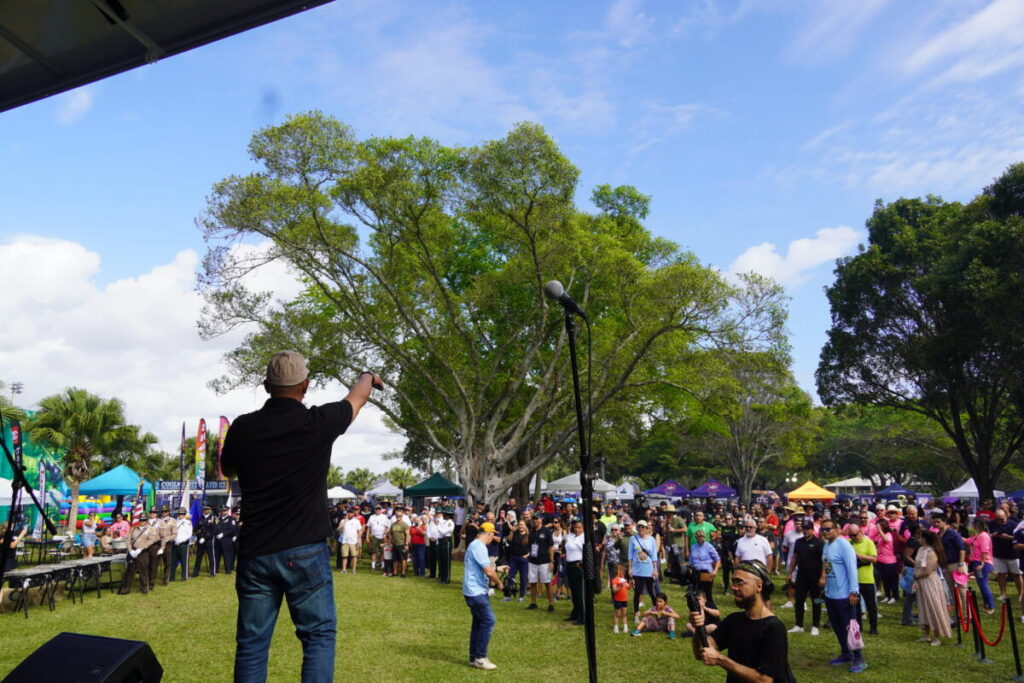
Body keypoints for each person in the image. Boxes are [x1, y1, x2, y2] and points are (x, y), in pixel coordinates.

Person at [220, 351, 381, 683]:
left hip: (256, 550)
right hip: (305, 550)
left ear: (267, 386)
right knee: (318, 637)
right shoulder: (319, 422)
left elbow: (228, 468)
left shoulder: (243, 426)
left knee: (252, 644)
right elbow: (358, 397)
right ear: (306, 385)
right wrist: (368, 376)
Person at [689, 560, 795, 682]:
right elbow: (701, 652)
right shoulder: (733, 620)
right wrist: (698, 628)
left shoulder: (774, 628)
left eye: (739, 582)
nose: (733, 587)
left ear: (759, 586)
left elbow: (765, 680)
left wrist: (721, 660)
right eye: (733, 582)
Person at [820, 519, 866, 673]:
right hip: (830, 594)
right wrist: (826, 585)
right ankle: (846, 653)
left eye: (828, 529)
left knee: (850, 628)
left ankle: (859, 658)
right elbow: (827, 565)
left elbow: (852, 569)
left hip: (844, 594)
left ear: (837, 529)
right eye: (823, 529)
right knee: (837, 627)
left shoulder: (844, 545)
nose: (825, 532)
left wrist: (854, 591)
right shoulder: (826, 546)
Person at [463, 522, 504, 670]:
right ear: (489, 533)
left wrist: (498, 568)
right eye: (493, 535)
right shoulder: (479, 547)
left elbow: (482, 567)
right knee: (488, 620)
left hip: (473, 590)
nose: (493, 538)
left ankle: (473, 657)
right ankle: (480, 657)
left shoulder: (474, 545)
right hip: (476, 591)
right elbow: (488, 572)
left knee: (478, 623)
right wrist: (499, 583)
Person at [915, 530, 952, 645]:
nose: (919, 539)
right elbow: (918, 565)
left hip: (930, 581)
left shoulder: (932, 553)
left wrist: (917, 576)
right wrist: (916, 578)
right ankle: (926, 635)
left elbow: (928, 570)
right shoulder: (921, 550)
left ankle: (937, 637)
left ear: (925, 539)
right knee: (923, 607)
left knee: (934, 607)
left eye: (920, 537)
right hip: (921, 581)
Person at [787, 519, 824, 636]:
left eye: (808, 529)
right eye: (804, 529)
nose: (806, 531)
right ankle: (799, 625)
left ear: (812, 529)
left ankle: (815, 626)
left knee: (816, 601)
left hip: (815, 576)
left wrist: (823, 576)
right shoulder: (799, 542)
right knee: (799, 600)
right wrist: (790, 572)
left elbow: (824, 561)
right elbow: (794, 558)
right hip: (801, 575)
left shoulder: (819, 543)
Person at [848, 523, 878, 636]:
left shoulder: (868, 542)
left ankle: (873, 627)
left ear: (860, 532)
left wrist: (859, 556)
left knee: (871, 605)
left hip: (866, 579)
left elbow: (874, 559)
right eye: (850, 535)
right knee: (855, 605)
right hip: (853, 580)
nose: (853, 538)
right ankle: (858, 626)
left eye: (854, 535)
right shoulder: (848, 543)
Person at [118, 513, 159, 594]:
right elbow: (128, 540)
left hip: (143, 552)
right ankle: (125, 589)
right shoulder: (133, 529)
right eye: (140, 520)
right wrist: (130, 550)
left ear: (146, 520)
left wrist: (141, 548)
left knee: (143, 570)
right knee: (130, 571)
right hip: (133, 552)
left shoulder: (150, 529)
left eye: (144, 520)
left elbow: (151, 540)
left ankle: (144, 588)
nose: (142, 521)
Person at [629, 520, 658, 624]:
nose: (641, 529)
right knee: (637, 593)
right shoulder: (633, 538)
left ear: (646, 529)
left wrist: (655, 569)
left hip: (649, 570)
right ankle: (636, 613)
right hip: (637, 570)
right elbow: (630, 555)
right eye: (639, 527)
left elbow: (654, 555)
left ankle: (656, 612)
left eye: (643, 527)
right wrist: (630, 568)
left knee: (652, 592)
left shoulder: (652, 539)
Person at [527, 514, 555, 612]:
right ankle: (533, 603)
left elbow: (551, 546)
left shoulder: (546, 531)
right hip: (533, 560)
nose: (535, 521)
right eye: (534, 519)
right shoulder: (531, 532)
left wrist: (551, 561)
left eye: (537, 519)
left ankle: (551, 604)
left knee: (547, 583)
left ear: (541, 519)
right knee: (533, 582)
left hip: (544, 561)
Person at [967, 516, 995, 614]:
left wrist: (982, 563)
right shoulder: (977, 535)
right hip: (977, 562)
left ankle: (991, 606)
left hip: (982, 563)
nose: (972, 525)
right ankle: (986, 604)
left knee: (983, 584)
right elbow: (967, 541)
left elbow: (984, 551)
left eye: (973, 524)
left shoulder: (983, 536)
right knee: (981, 584)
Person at [689, 528, 721, 609]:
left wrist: (715, 571)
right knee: (696, 592)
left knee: (707, 593)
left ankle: (711, 609)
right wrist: (690, 569)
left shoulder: (709, 546)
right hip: (696, 572)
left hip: (706, 572)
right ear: (696, 538)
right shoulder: (693, 547)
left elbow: (717, 559)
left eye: (702, 537)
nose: (701, 540)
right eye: (699, 538)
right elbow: (691, 560)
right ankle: (698, 608)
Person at [564, 519, 586, 625]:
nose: (577, 529)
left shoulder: (584, 538)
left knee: (579, 592)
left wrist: (582, 562)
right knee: (573, 591)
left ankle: (583, 616)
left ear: (583, 528)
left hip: (578, 565)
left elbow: (587, 552)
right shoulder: (570, 536)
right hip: (569, 564)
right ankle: (575, 613)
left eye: (579, 527)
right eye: (575, 527)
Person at [504, 519, 530, 603]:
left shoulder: (528, 536)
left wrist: (528, 554)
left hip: (523, 560)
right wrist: (512, 530)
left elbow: (533, 546)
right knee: (510, 577)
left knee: (523, 578)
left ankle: (521, 596)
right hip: (513, 558)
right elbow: (508, 541)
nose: (521, 526)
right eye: (519, 525)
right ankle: (508, 596)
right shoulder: (514, 534)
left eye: (522, 525)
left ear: (525, 526)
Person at [192, 504, 217, 578]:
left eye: (207, 509)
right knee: (198, 557)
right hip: (201, 541)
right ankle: (196, 572)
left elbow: (214, 530)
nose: (206, 510)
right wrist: (199, 537)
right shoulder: (200, 518)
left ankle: (212, 572)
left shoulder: (213, 518)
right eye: (205, 509)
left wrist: (205, 538)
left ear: (209, 509)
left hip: (209, 540)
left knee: (211, 556)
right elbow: (196, 529)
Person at [156, 505, 177, 585]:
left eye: (165, 511)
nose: (164, 513)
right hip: (157, 544)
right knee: (155, 562)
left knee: (167, 563)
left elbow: (174, 534)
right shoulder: (157, 521)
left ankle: (165, 580)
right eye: (162, 511)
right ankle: (152, 579)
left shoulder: (172, 521)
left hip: (167, 544)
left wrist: (166, 540)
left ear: (168, 512)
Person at [170, 507, 192, 582]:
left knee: (183, 561)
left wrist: (181, 540)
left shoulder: (187, 522)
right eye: (179, 513)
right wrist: (174, 539)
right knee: (173, 561)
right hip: (174, 544)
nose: (180, 515)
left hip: (183, 544)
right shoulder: (175, 522)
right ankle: (171, 577)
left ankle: (184, 576)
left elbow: (189, 534)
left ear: (185, 514)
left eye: (182, 514)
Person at [216, 506, 239, 575]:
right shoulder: (218, 519)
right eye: (222, 510)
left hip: (226, 540)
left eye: (224, 510)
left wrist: (223, 534)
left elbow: (232, 529)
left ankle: (228, 569)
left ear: (228, 511)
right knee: (217, 555)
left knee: (227, 555)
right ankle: (216, 569)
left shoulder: (231, 519)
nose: (223, 512)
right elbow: (215, 527)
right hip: (218, 540)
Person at [388, 511, 410, 578]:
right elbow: (390, 535)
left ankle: (403, 573)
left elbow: (407, 535)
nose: (398, 517)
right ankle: (395, 572)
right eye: (397, 515)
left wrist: (406, 544)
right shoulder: (393, 524)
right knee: (395, 559)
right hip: (394, 544)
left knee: (403, 559)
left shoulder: (404, 525)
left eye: (400, 515)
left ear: (402, 516)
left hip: (402, 544)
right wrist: (390, 542)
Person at [436, 507, 455, 584]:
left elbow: (443, 532)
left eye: (444, 514)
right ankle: (442, 577)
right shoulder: (444, 522)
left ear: (448, 515)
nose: (443, 515)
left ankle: (446, 578)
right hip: (441, 541)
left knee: (446, 561)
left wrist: (437, 526)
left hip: (446, 541)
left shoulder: (450, 523)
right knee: (442, 560)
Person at [610, 563, 630, 633]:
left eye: (623, 570)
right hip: (618, 600)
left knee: (624, 614)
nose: (623, 571)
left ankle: (625, 627)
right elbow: (614, 590)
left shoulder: (623, 579)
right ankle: (616, 627)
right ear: (617, 571)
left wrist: (631, 584)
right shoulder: (615, 580)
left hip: (624, 599)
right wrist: (620, 586)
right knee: (617, 614)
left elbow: (628, 587)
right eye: (621, 570)